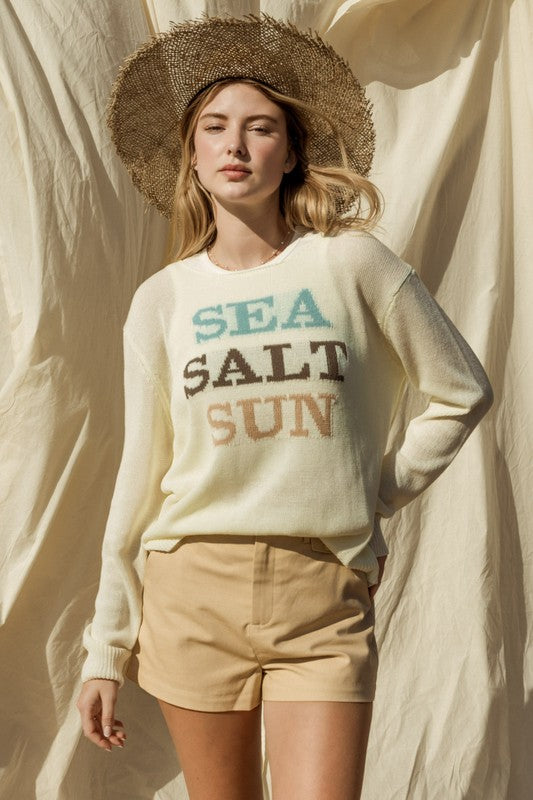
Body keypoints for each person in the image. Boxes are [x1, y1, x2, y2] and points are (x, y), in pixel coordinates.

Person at [76, 13, 494, 800]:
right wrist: (105, 647)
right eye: (215, 128)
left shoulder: (352, 264)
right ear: (192, 155)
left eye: (260, 128)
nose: (235, 146)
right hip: (191, 587)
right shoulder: (162, 301)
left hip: (320, 596)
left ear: (292, 151)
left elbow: (460, 390)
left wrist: (375, 489)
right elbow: (139, 481)